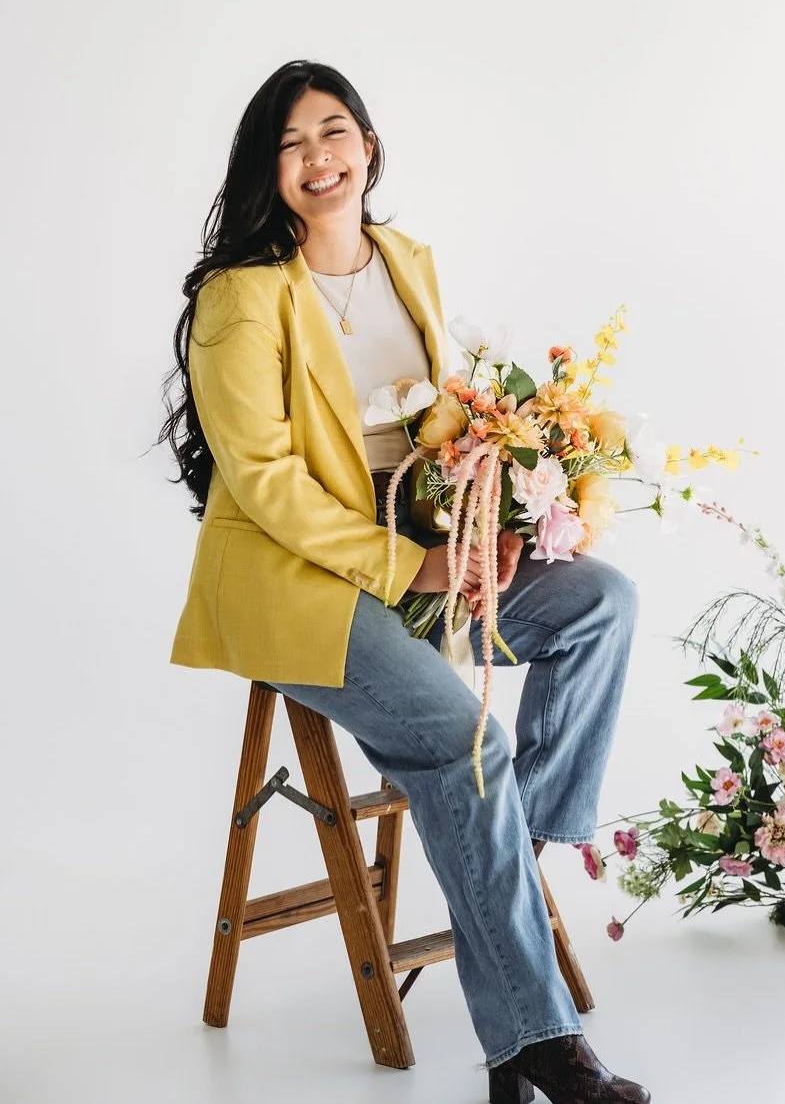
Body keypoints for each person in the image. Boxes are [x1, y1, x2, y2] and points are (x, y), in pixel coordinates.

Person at [160, 59, 651, 1104]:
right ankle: (533, 1044)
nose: (317, 158)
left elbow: (439, 426)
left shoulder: (404, 260)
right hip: (299, 584)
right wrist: (408, 562)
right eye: (291, 145)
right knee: (467, 743)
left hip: (422, 560)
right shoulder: (240, 299)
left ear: (368, 145)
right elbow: (268, 483)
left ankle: (508, 850)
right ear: (268, 171)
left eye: (333, 132)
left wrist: (493, 513)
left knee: (598, 602)